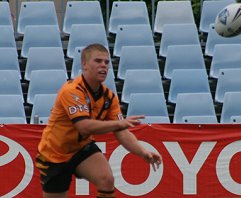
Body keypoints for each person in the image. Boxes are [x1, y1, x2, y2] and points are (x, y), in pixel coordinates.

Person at [35, 43, 162, 198]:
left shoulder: (109, 97)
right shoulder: (71, 91)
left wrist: (142, 152)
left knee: (106, 179)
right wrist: (119, 123)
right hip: (54, 153)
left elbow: (121, 132)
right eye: (98, 61)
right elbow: (84, 127)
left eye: (106, 62)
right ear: (84, 64)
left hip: (81, 148)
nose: (103, 66)